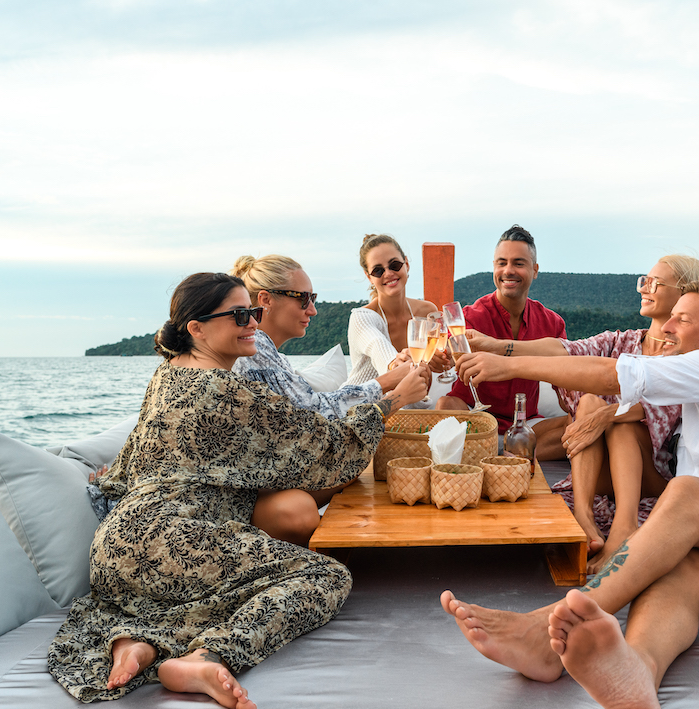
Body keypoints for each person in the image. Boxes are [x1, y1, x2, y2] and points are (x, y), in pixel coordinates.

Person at [441, 277, 699, 709]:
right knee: (669, 577)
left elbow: (614, 374)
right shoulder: (695, 398)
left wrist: (505, 364)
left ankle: (546, 629)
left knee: (685, 491)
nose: (666, 327)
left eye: (682, 319)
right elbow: (593, 373)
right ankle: (640, 673)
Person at [50, 272, 428, 709]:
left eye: (252, 312)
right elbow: (322, 446)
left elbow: (137, 458)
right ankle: (208, 656)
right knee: (325, 577)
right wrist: (392, 401)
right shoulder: (226, 390)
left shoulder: (165, 376)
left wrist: (104, 481)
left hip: (115, 548)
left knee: (208, 587)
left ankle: (139, 644)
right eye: (239, 316)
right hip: (174, 539)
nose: (253, 322)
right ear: (196, 328)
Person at [465, 256, 699, 571]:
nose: (644, 289)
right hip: (605, 470)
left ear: (685, 293)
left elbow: (668, 403)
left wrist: (608, 416)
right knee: (590, 402)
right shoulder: (623, 341)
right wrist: (496, 346)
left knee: (617, 419)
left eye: (655, 283)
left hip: (654, 475)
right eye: (644, 281)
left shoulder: (691, 354)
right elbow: (564, 350)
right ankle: (583, 514)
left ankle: (624, 527)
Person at [230, 253, 426, 535]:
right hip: (255, 490)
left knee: (355, 457)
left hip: (269, 474)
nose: (312, 310)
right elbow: (313, 412)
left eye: (313, 299)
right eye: (303, 299)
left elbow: (309, 409)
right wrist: (390, 388)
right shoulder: (254, 350)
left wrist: (389, 383)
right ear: (265, 300)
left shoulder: (269, 353)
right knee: (356, 454)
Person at [436, 224, 567, 459]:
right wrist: (439, 359)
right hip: (474, 419)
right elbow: (445, 355)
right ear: (494, 267)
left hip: (525, 424)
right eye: (501, 263)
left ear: (535, 270)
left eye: (518, 263)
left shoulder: (552, 323)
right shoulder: (469, 317)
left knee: (581, 422)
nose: (508, 270)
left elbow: (567, 387)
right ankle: (513, 456)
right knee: (445, 406)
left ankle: (498, 454)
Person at [347, 234, 452, 405]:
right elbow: (377, 346)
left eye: (394, 265)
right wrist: (395, 363)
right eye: (378, 270)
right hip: (360, 408)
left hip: (407, 411)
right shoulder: (361, 318)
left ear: (406, 264)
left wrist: (442, 361)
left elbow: (441, 362)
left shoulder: (427, 312)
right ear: (369, 277)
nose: (388, 273)